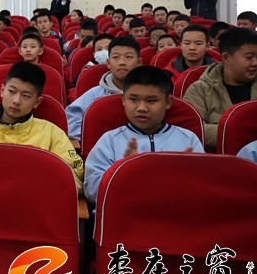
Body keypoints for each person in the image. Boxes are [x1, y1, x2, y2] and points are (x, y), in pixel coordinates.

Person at [0, 61, 83, 193]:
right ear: (2, 91)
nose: (16, 101)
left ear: (37, 102)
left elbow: (74, 178)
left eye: (26, 96)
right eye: (11, 91)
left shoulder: (52, 134)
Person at [83, 66, 204, 206]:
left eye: (151, 101)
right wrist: (122, 172)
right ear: (123, 100)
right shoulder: (110, 140)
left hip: (175, 213)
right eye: (133, 100)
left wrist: (184, 179)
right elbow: (91, 190)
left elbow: (202, 187)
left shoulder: (188, 139)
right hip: (124, 213)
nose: (141, 108)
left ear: (167, 103)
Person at [184, 28, 257, 150]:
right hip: (218, 158)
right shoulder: (199, 90)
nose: (255, 63)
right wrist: (240, 132)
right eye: (249, 57)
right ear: (226, 58)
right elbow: (192, 130)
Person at [66, 36, 142, 148]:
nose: (122, 62)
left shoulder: (150, 93)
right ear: (108, 63)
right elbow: (71, 119)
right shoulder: (95, 94)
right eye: (116, 57)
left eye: (128, 57)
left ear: (139, 62)